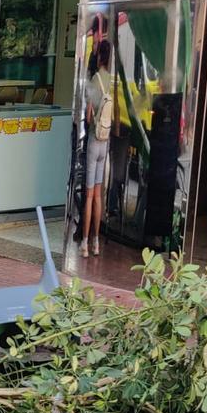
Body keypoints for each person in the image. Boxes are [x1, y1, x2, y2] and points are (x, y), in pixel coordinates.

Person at [81, 39, 113, 258]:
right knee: (99, 194)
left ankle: (84, 243)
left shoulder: (95, 79)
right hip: (106, 142)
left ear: (99, 56)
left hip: (94, 140)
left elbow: (89, 114)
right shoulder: (114, 81)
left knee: (90, 194)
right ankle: (96, 243)